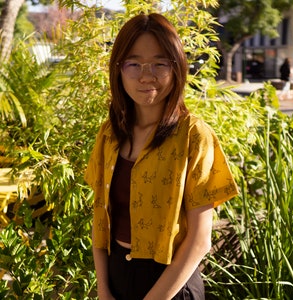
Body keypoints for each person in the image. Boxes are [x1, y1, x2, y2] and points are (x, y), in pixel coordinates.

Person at [85, 13, 238, 300]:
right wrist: (103, 290)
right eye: (134, 63)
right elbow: (100, 219)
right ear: (118, 69)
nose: (147, 75)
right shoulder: (109, 134)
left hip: (172, 287)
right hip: (117, 279)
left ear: (177, 67)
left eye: (160, 63)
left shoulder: (194, 136)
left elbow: (199, 240)